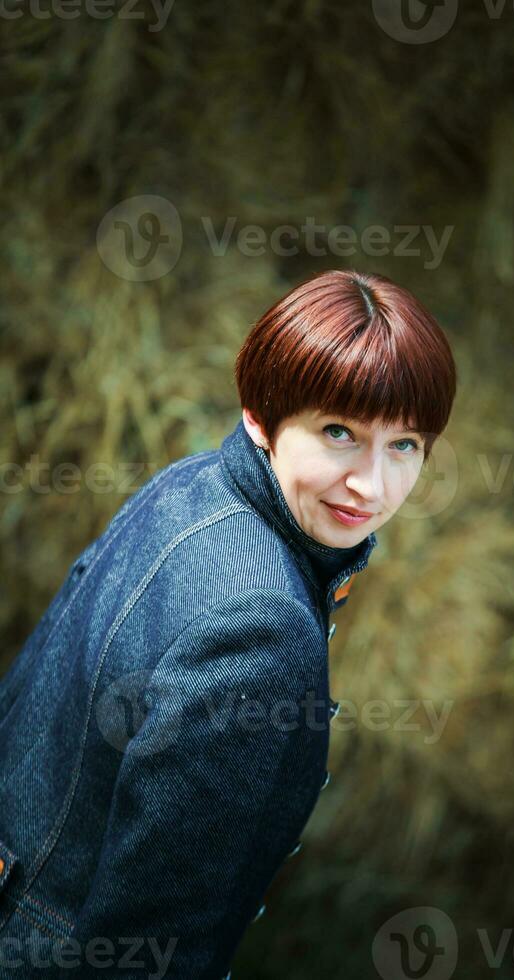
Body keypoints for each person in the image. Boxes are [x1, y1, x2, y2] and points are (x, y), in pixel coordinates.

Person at [0, 269, 457, 978]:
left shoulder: (191, 484)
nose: (374, 486)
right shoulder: (262, 630)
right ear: (260, 414)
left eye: (405, 445)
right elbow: (152, 950)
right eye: (340, 432)